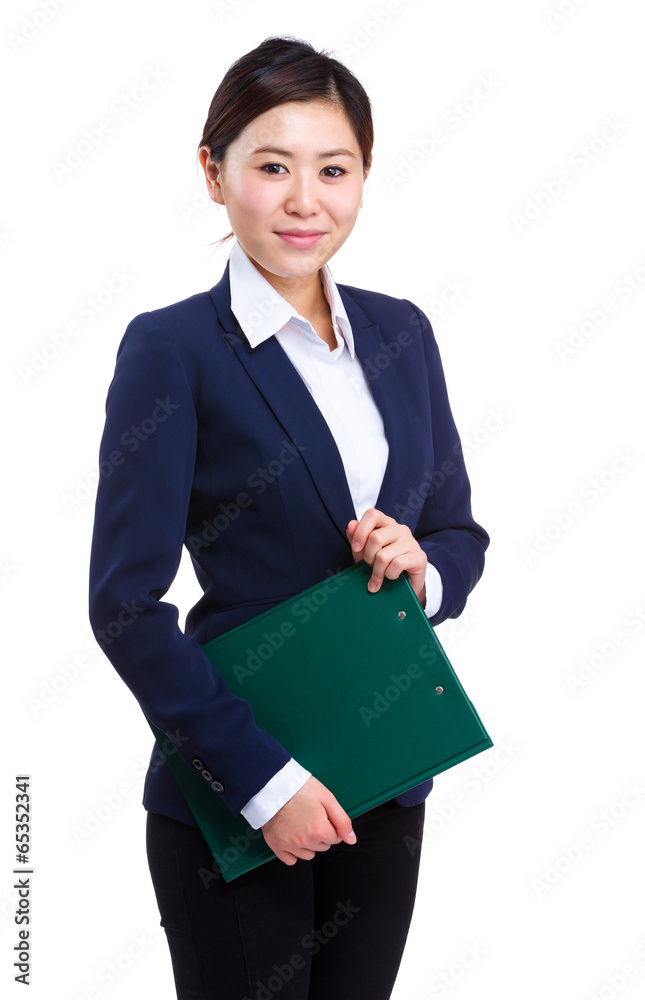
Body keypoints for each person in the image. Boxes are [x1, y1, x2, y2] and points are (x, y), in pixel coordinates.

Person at [88, 34, 489, 1000]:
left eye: (333, 169)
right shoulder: (174, 350)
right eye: (271, 166)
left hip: (386, 776)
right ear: (214, 174)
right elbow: (125, 606)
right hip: (240, 791)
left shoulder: (400, 331)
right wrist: (266, 786)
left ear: (362, 178)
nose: (305, 199)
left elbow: (460, 536)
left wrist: (418, 562)